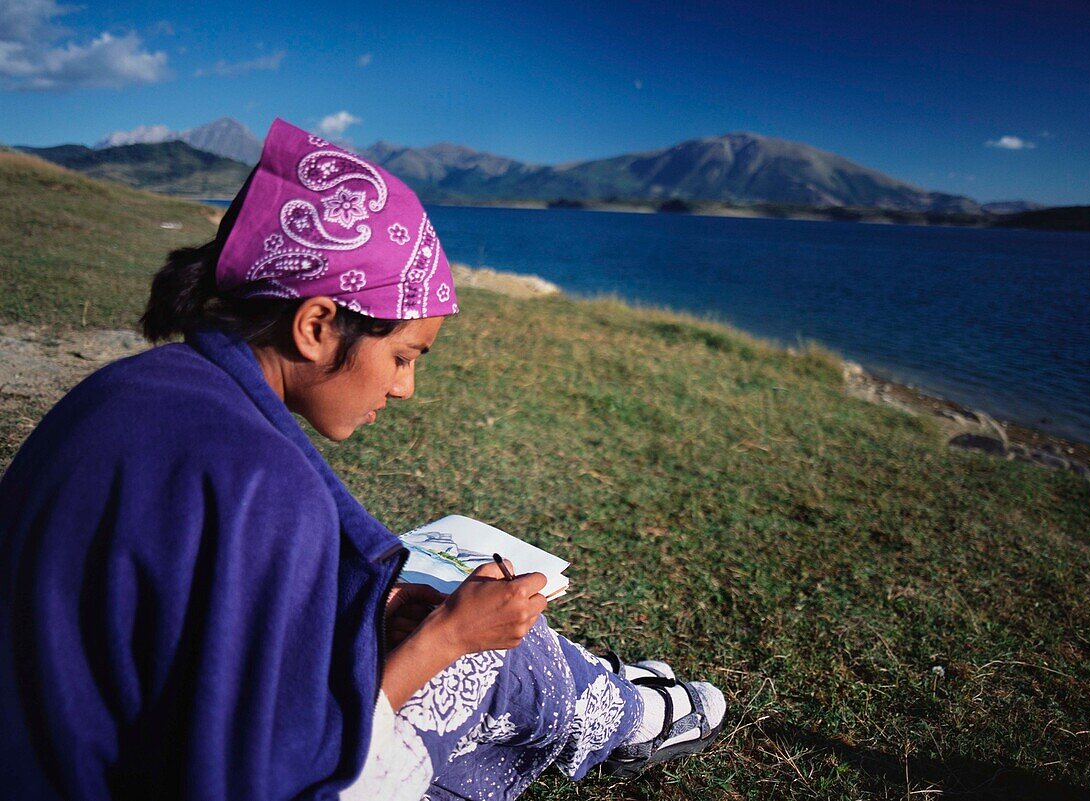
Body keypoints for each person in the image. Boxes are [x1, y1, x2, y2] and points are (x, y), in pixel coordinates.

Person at [0, 119, 726, 800]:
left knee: (436, 623)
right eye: (404, 356)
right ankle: (628, 713)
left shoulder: (128, 387)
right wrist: (445, 640)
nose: (405, 388)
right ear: (316, 324)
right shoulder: (265, 487)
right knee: (484, 658)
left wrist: (367, 606)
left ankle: (619, 700)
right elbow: (288, 784)